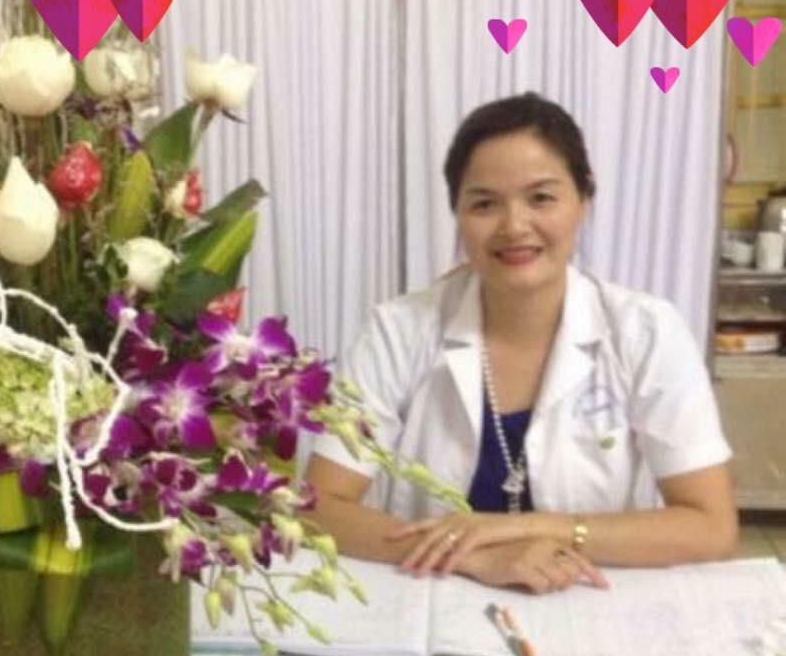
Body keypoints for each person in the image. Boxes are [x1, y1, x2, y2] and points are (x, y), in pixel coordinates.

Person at [303, 92, 738, 594]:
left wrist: (536, 528)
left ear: (583, 201)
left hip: (589, 601)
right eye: (484, 203)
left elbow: (711, 526)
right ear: (457, 214)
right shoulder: (399, 330)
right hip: (436, 600)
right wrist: (477, 555)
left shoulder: (646, 332)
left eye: (541, 198)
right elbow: (316, 507)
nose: (514, 226)